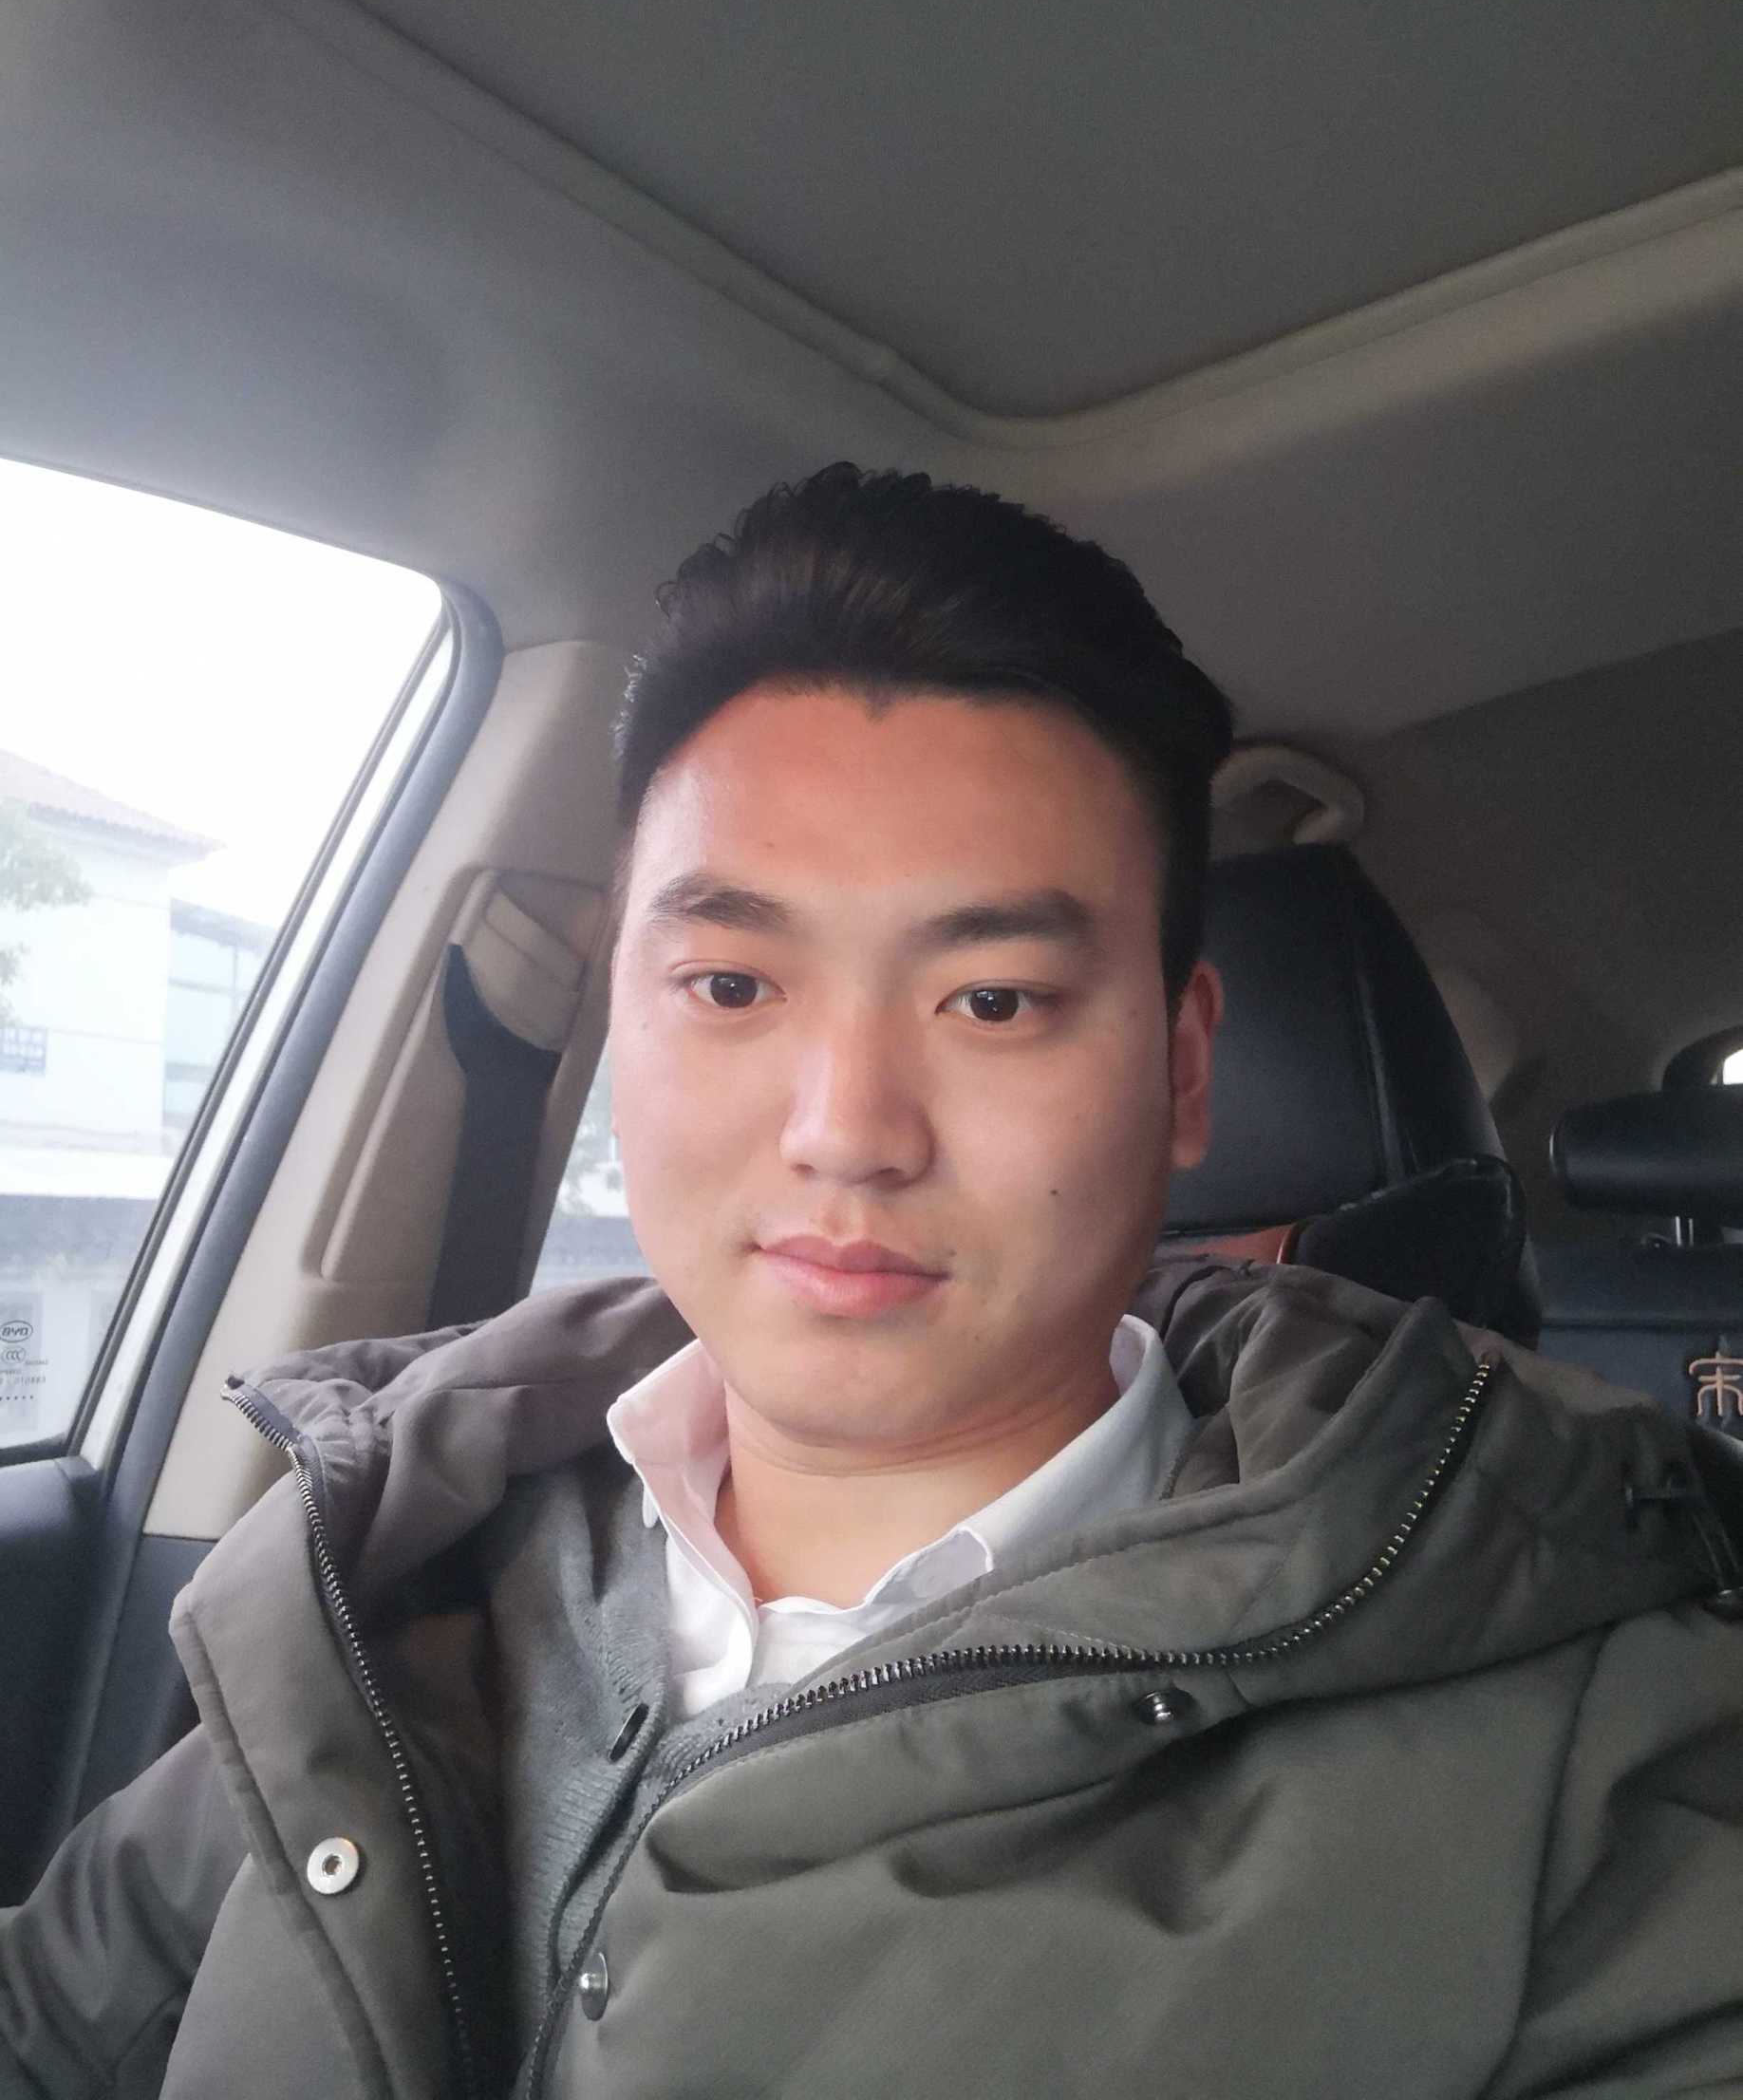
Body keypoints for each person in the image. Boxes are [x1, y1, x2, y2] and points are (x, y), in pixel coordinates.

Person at [4, 462, 1742, 2100]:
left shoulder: (1588, 1780)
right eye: (732, 986)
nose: (846, 1131)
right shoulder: (392, 1563)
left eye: (992, 1001)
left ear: (1182, 1069)